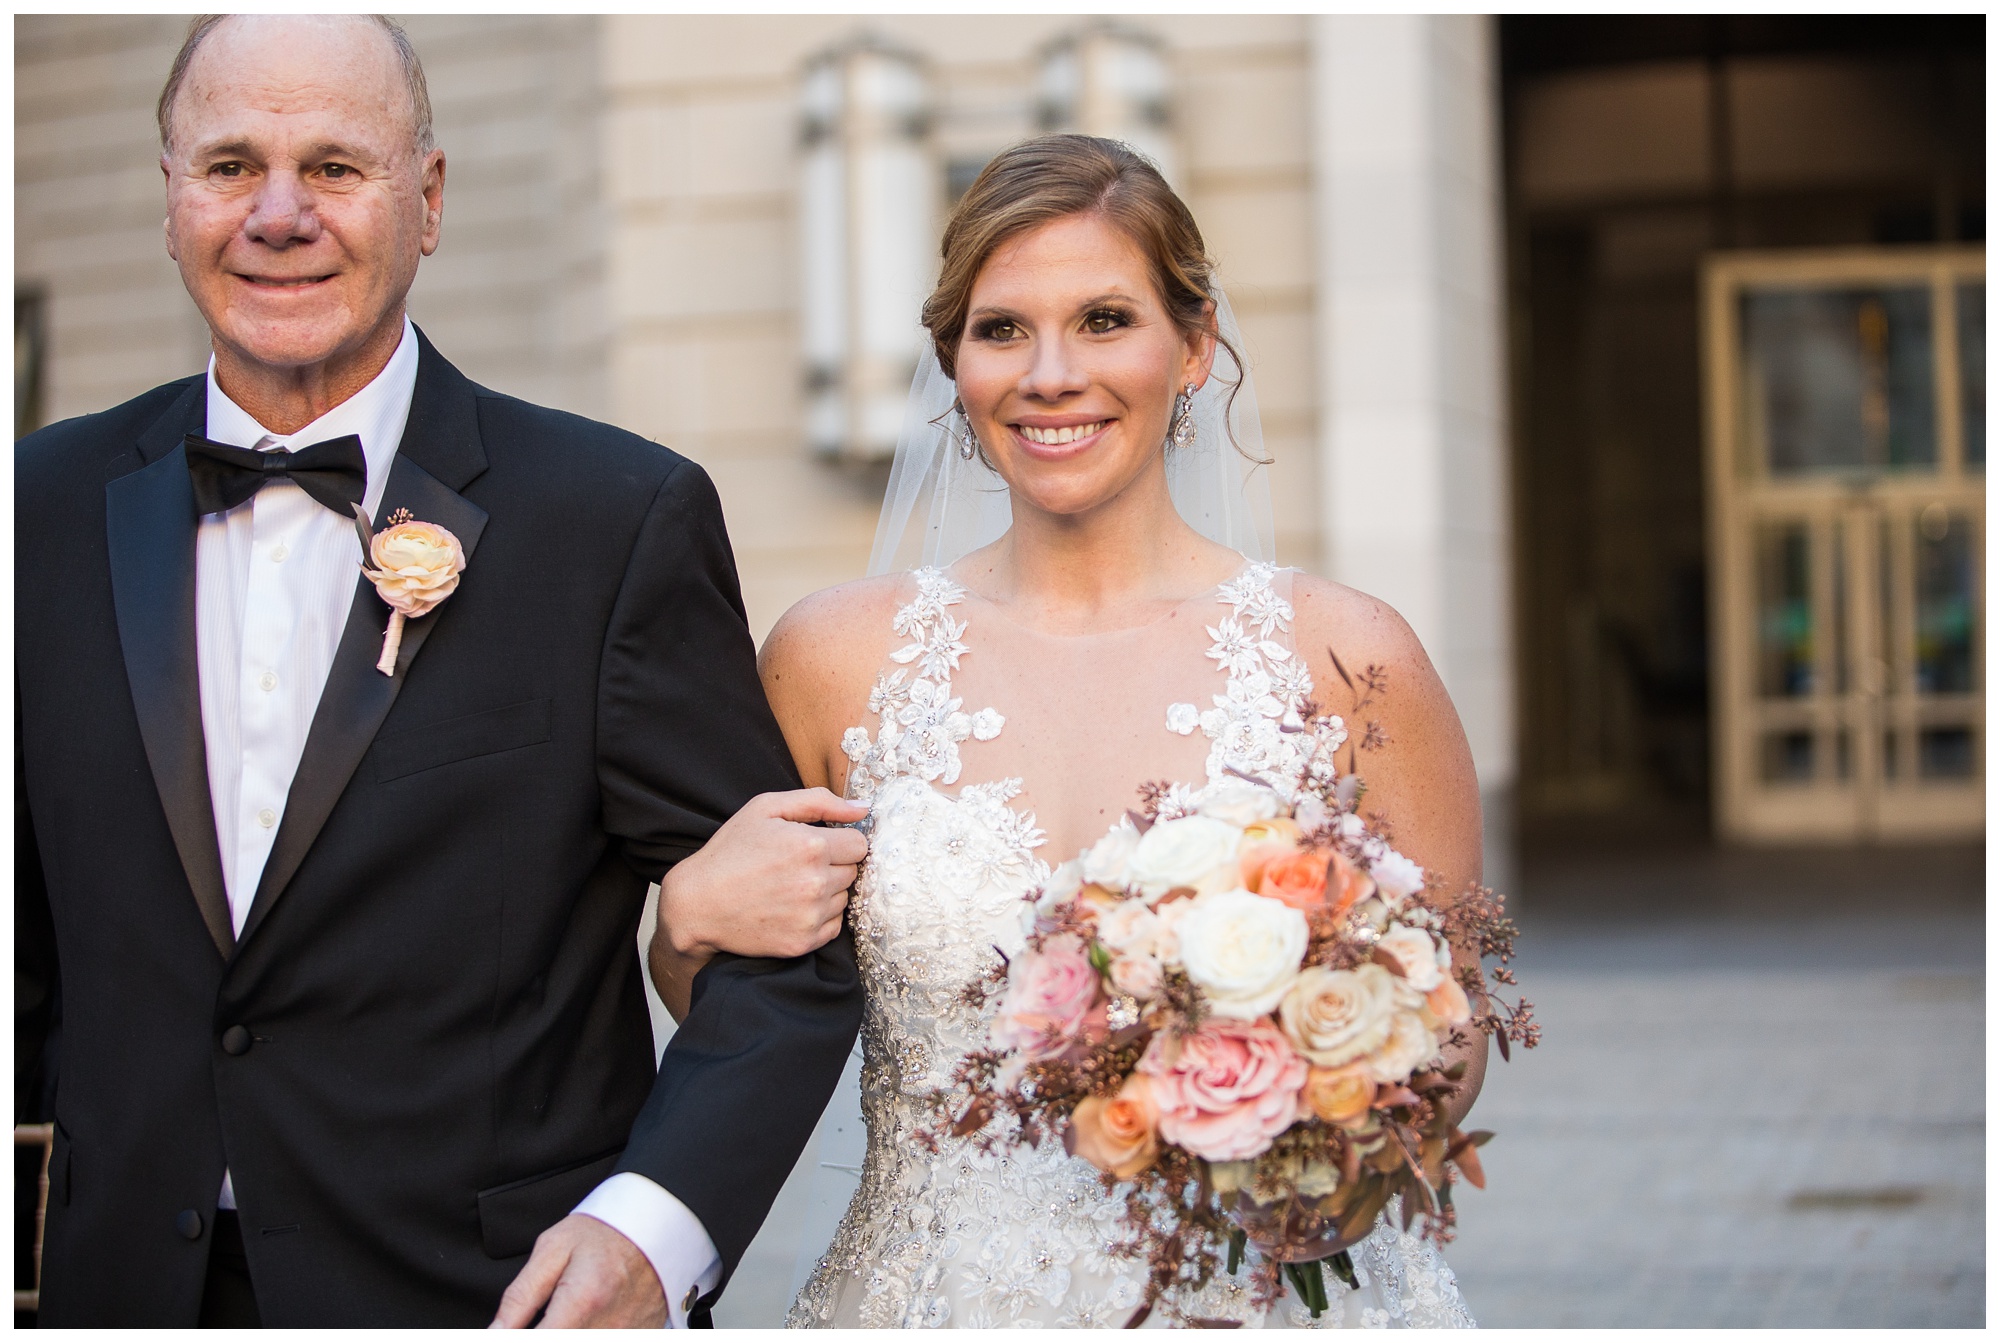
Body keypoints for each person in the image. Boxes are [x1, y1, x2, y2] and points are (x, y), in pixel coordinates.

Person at [14, 14, 865, 1327]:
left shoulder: (612, 518)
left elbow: (786, 946)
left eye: (336, 167)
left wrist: (653, 1228)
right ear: (171, 195)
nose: (278, 214)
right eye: (231, 165)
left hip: (483, 1298)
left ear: (430, 199)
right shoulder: (39, 508)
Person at [660, 135, 1489, 1327]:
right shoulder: (831, 662)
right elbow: (742, 1017)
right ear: (952, 363)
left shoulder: (1347, 657)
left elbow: (1446, 1021)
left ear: (1194, 346)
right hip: (931, 1295)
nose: (1051, 374)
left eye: (1104, 318)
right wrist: (681, 925)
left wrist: (1311, 1114)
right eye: (1001, 330)